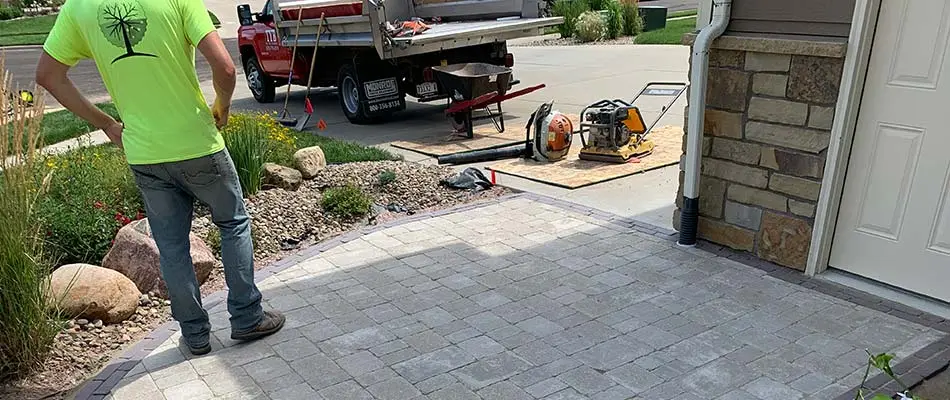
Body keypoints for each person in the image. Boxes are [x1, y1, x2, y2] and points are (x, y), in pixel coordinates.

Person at [36, 0, 284, 355]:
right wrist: (222, 106)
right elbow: (226, 69)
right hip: (198, 144)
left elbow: (47, 76)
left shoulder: (79, 7)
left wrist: (106, 124)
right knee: (233, 223)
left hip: (145, 153)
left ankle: (195, 335)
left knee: (172, 248)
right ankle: (247, 317)